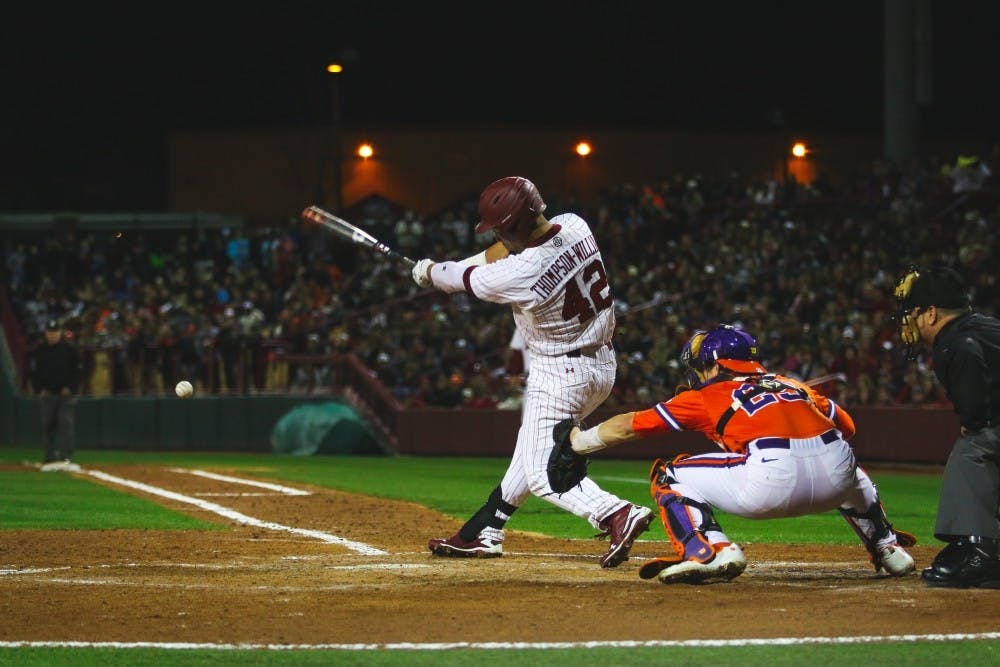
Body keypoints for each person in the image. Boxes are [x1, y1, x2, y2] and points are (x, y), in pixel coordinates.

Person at [411, 176, 653, 567]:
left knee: (542, 472)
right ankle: (483, 531)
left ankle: (615, 513)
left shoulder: (524, 272)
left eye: (503, 230)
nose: (501, 238)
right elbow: (493, 258)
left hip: (560, 372)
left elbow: (462, 280)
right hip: (602, 364)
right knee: (530, 450)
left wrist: (431, 272)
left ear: (516, 226)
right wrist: (443, 269)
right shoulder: (576, 225)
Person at [567, 324, 916, 583]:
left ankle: (711, 550)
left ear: (715, 365)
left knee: (669, 472)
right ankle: (887, 547)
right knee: (843, 456)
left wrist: (579, 442)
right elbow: (848, 427)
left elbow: (630, 425)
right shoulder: (794, 383)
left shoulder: (706, 395)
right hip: (837, 480)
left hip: (769, 482)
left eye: (701, 367)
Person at [893, 263, 1000, 588]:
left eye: (913, 312)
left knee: (973, 449)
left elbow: (969, 363)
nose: (907, 321)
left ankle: (978, 551)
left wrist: (975, 420)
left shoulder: (954, 339)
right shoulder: (983, 326)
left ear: (931, 313)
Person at [30, 319, 82, 472]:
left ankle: (66, 456)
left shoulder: (70, 349)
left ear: (60, 332)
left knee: (65, 424)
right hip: (48, 394)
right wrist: (39, 389)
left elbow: (78, 371)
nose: (52, 335)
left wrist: (70, 387)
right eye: (49, 332)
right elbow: (34, 372)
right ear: (46, 333)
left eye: (55, 332)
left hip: (65, 395)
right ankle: (49, 456)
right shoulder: (40, 350)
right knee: (48, 425)